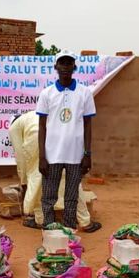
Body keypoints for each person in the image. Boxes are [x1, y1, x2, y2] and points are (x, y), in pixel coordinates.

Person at [9, 111, 101, 231]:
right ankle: (85, 222)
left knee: (36, 179)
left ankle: (41, 220)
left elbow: (20, 157)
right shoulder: (34, 115)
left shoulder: (14, 127)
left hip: (36, 138)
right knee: (71, 180)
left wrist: (24, 181)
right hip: (57, 136)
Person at [36, 50, 96, 229]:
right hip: (52, 155)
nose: (65, 67)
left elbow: (88, 125)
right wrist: (41, 157)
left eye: (69, 63)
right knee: (48, 197)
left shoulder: (84, 93)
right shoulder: (47, 93)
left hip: (75, 156)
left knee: (71, 197)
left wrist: (87, 153)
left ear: (74, 67)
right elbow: (41, 126)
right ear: (56, 67)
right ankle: (49, 230)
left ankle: (69, 231)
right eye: (62, 63)